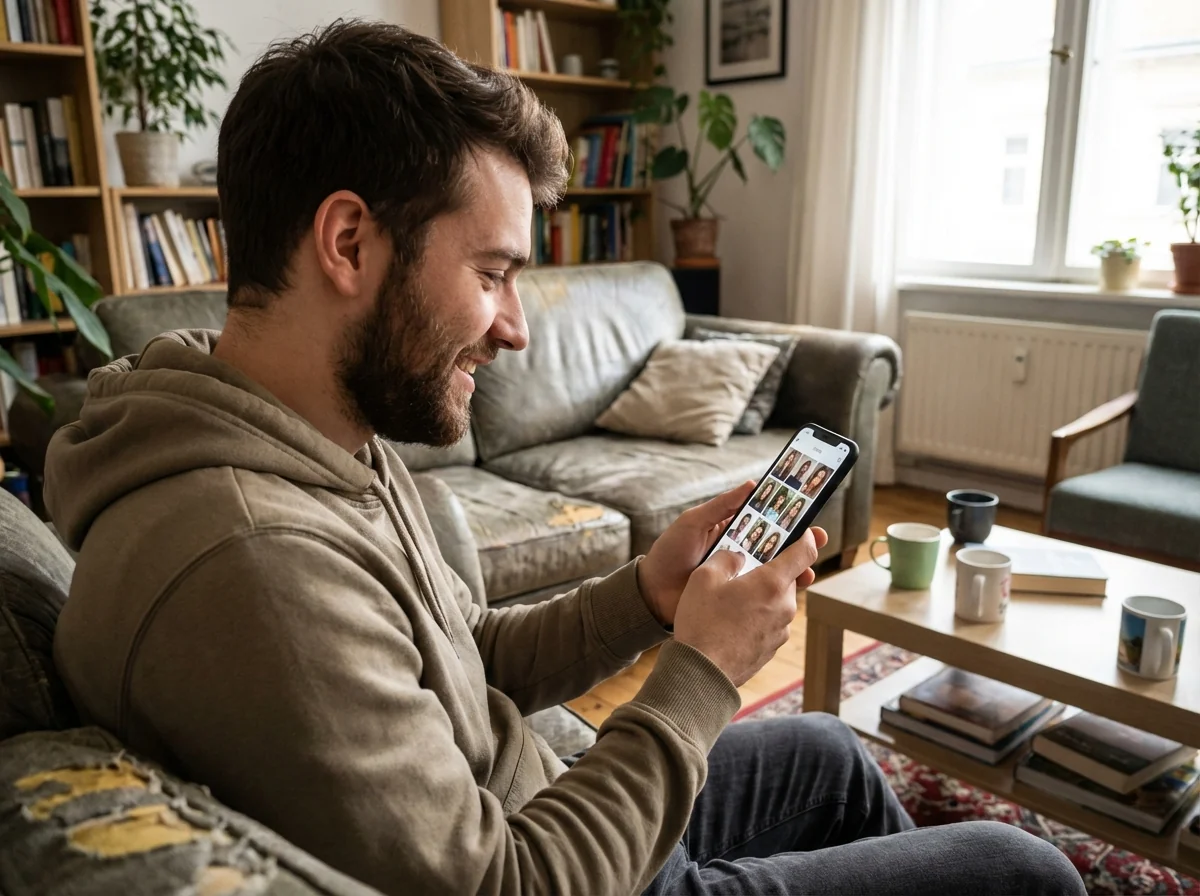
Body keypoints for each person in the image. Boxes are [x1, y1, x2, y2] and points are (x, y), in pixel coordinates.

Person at [43, 22, 1083, 896]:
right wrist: (706, 670)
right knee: (1020, 868)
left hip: (559, 792)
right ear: (349, 242)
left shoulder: (318, 433)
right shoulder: (254, 561)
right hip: (568, 863)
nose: (515, 329)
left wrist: (648, 593)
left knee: (828, 749)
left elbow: (459, 656)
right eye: (493, 271)